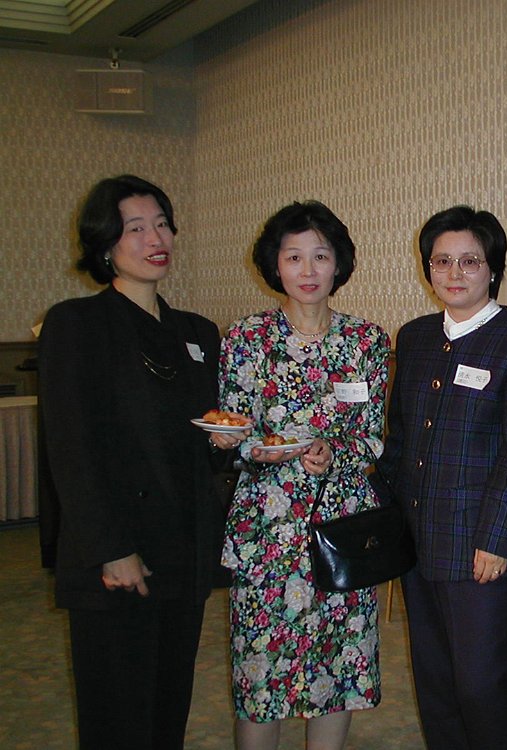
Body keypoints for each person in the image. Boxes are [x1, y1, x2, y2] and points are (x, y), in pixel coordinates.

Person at [38, 175, 226, 750]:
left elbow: (205, 434)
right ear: (104, 244)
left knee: (169, 705)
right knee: (117, 713)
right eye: (135, 227)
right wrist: (111, 547)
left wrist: (234, 444)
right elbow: (71, 447)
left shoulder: (197, 332)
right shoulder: (76, 324)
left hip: (183, 546)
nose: (155, 238)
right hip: (119, 554)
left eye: (162, 224)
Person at [381, 205, 507, 750]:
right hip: (419, 538)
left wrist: (498, 539)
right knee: (435, 682)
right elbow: (400, 439)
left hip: (482, 544)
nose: (454, 273)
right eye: (442, 261)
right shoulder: (414, 337)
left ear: (493, 268)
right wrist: (386, 520)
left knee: (482, 685)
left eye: (470, 261)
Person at [216, 201, 389, 750]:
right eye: (294, 257)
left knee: (337, 668)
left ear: (339, 264)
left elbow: (373, 436)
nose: (308, 270)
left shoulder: (366, 341)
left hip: (341, 527)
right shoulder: (246, 339)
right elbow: (234, 425)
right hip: (266, 529)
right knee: (260, 669)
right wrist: (239, 444)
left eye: (321, 255)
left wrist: (334, 450)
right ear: (276, 264)